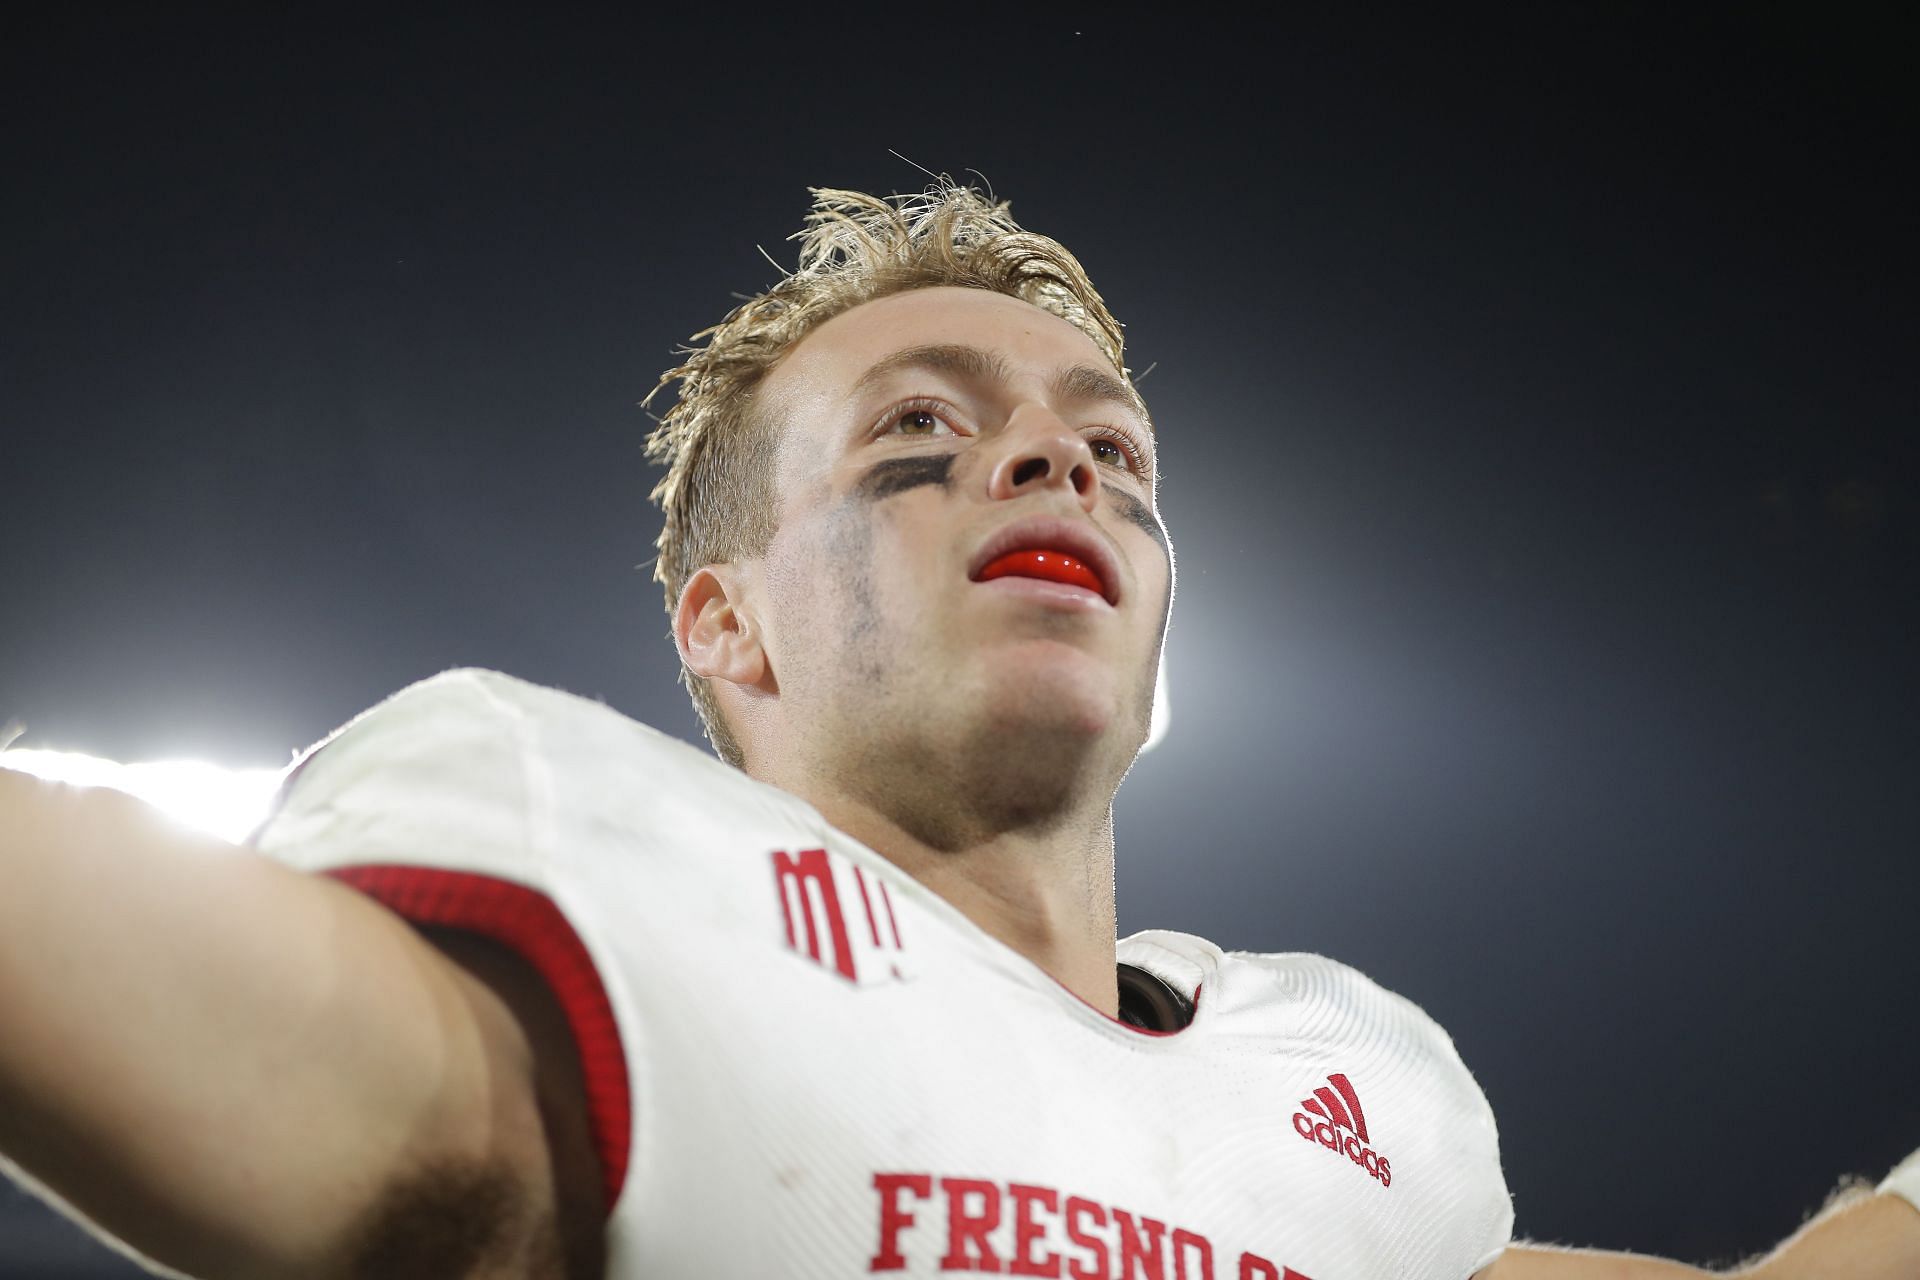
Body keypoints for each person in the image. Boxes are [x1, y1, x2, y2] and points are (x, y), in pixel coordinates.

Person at [1, 183, 1915, 1280]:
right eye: (917, 432)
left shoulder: (1355, 1096)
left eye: (1111, 450)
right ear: (723, 624)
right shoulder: (598, 898)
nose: (1048, 457)